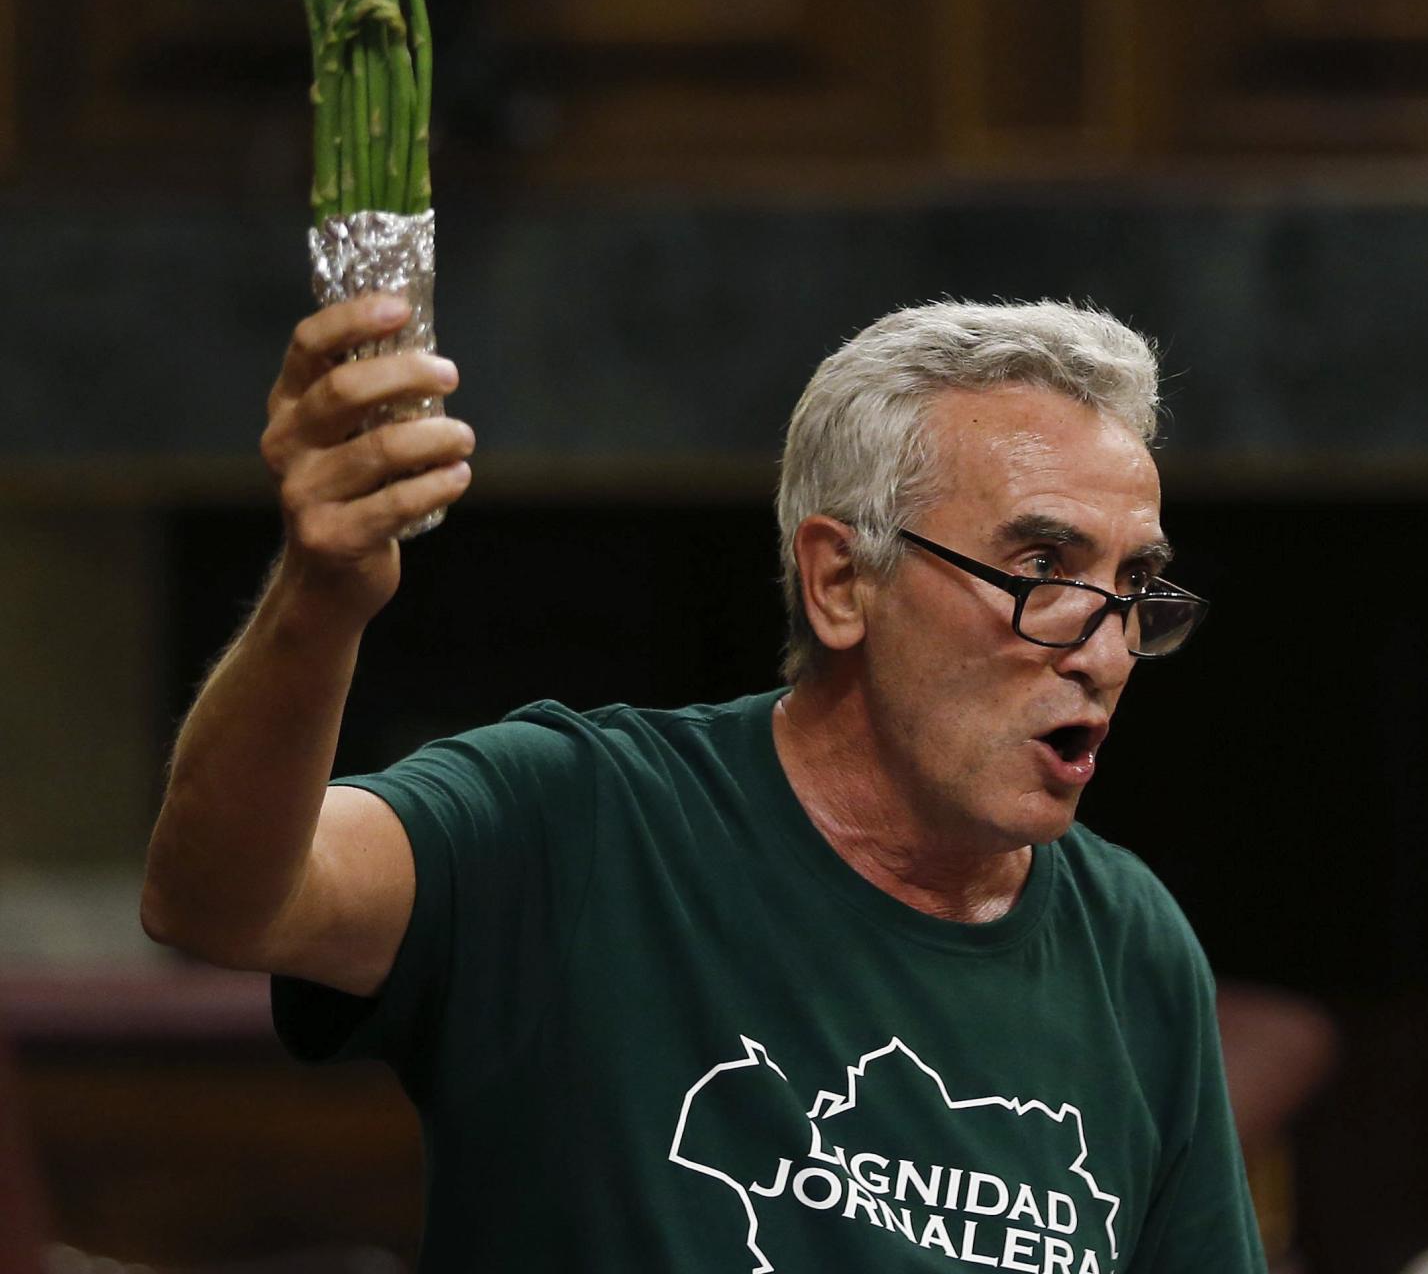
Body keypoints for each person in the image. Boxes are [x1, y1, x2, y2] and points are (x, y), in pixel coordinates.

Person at [142, 295, 1266, 1272]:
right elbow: (221, 897)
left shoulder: (1130, 944)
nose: (1105, 650)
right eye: (1039, 570)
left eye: (1132, 588)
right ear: (839, 581)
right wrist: (319, 593)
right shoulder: (581, 818)